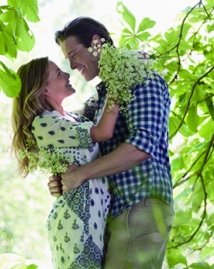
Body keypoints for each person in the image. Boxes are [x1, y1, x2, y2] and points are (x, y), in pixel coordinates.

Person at [48, 17, 175, 269]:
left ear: (96, 43)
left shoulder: (141, 78)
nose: (72, 65)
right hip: (109, 213)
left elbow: (143, 145)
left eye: (74, 54)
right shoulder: (102, 99)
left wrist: (82, 174)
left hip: (140, 203)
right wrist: (64, 178)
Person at [10, 57, 119, 269]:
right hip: (77, 223)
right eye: (59, 74)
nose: (68, 74)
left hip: (93, 219)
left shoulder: (70, 118)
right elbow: (103, 132)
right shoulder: (44, 123)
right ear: (45, 90)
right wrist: (117, 85)